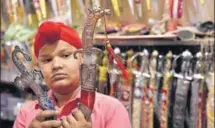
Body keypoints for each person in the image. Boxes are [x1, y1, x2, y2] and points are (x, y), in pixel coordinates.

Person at [13, 21, 131, 128]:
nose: (56, 65)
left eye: (65, 55)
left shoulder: (111, 110)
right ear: (38, 67)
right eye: (47, 60)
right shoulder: (27, 114)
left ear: (82, 58)